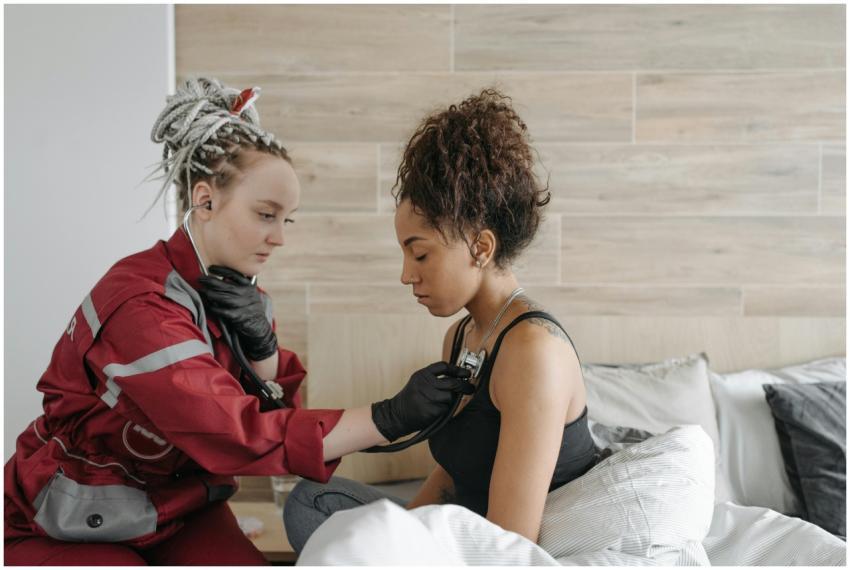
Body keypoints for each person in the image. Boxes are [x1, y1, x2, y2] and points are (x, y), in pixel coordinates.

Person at [3, 77, 471, 566]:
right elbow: (241, 433)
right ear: (204, 201)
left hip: (178, 508)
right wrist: (389, 417)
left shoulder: (236, 291)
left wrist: (263, 348)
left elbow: (277, 410)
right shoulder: (140, 307)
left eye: (285, 219)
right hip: (75, 515)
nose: (278, 238)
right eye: (266, 214)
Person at [284, 89, 601, 550]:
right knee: (311, 501)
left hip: (491, 551)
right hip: (455, 535)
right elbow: (456, 474)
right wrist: (396, 536)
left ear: (481, 247)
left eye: (421, 253)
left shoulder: (535, 350)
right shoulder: (462, 336)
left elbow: (509, 543)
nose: (406, 274)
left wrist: (396, 548)